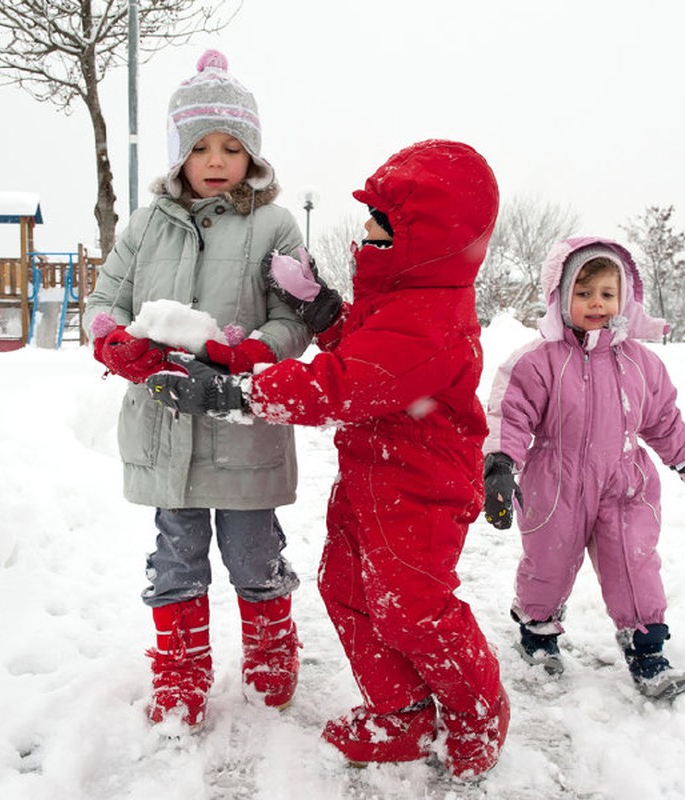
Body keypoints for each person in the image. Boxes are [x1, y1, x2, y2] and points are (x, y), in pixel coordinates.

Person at [146, 139, 510, 779]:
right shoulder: (401, 300)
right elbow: (366, 348)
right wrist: (327, 311)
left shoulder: (433, 318)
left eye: (382, 225)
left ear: (425, 239)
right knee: (345, 590)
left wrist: (237, 392)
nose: (364, 233)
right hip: (373, 477)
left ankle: (476, 715)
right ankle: (403, 711)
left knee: (413, 607)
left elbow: (344, 383)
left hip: (421, 489)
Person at [83, 48, 312, 729]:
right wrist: (116, 341)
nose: (216, 160)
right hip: (165, 425)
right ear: (178, 150)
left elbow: (295, 317)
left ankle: (271, 651)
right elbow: (106, 299)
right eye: (200, 145)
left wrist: (251, 353)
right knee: (176, 557)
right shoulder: (147, 225)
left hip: (242, 426)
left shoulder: (274, 226)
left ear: (253, 154)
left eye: (232, 147)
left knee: (253, 553)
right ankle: (181, 669)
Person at [481, 237, 685, 699]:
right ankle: (538, 629)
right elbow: (510, 415)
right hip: (555, 482)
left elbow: (662, 418)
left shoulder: (641, 363)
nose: (597, 304)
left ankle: (647, 650)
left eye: (607, 294)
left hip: (626, 482)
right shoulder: (538, 360)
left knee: (635, 562)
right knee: (548, 563)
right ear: (561, 295)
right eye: (584, 293)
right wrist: (501, 465)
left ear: (623, 299)